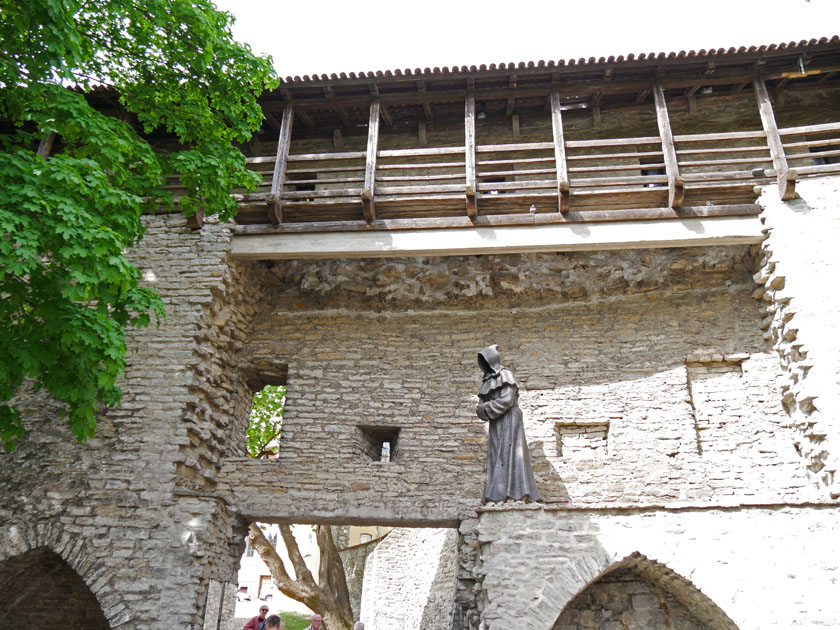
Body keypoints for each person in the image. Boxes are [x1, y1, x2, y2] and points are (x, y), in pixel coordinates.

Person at [476, 344, 542, 504]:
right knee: (496, 456)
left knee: (513, 455)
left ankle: (516, 495)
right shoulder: (487, 381)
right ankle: (496, 495)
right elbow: (479, 407)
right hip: (496, 422)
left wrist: (486, 408)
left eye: (486, 360)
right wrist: (484, 408)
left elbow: (507, 400)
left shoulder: (506, 375)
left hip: (510, 419)